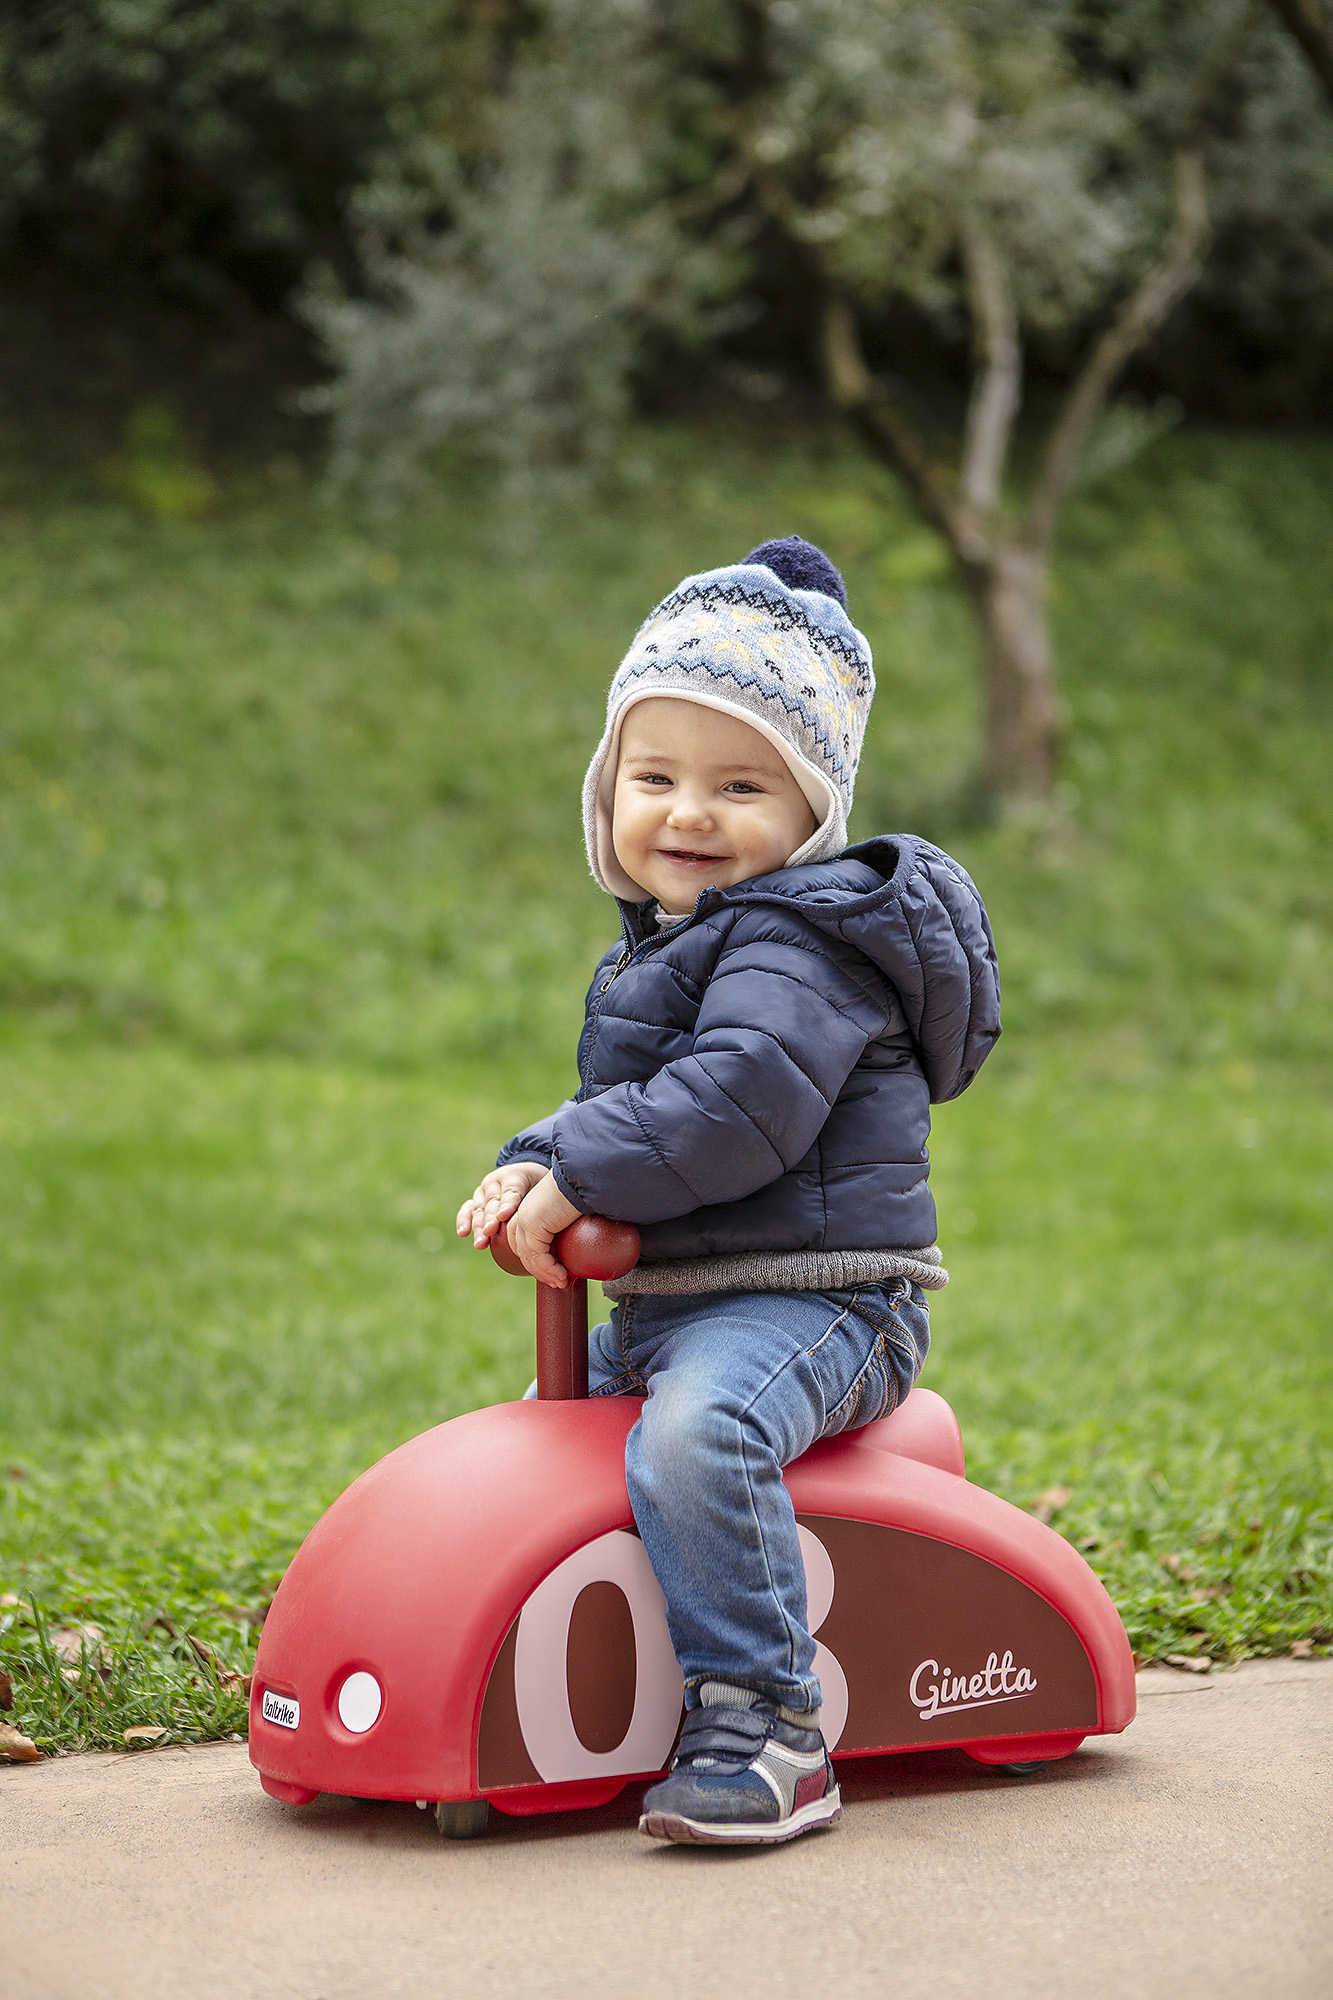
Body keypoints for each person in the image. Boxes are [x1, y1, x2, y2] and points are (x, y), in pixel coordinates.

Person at [456, 536, 1001, 1846]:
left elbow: (732, 1111)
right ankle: (527, 1686)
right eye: (654, 779)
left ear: (811, 813)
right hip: (683, 1302)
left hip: (822, 1304)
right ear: (608, 794)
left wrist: (572, 1163)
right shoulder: (673, 944)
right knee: (532, 1439)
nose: (688, 814)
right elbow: (641, 1113)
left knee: (696, 1438)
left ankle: (768, 1724)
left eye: (740, 785)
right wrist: (544, 1157)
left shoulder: (801, 944)